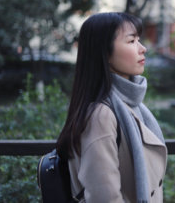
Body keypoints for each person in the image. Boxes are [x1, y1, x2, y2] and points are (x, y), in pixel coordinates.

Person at [56, 12, 167, 203]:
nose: (143, 49)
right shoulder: (101, 115)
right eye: (131, 41)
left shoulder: (129, 105)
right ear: (105, 52)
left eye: (139, 40)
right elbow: (103, 197)